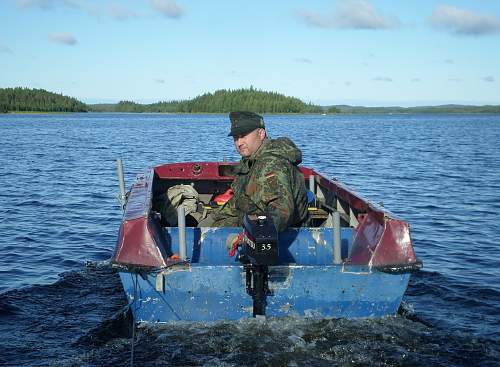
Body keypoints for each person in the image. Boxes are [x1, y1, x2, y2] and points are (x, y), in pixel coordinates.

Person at [211, 111, 309, 232]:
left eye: (243, 136)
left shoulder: (271, 165)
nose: (239, 143)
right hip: (246, 217)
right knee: (205, 223)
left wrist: (255, 236)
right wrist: (216, 217)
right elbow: (242, 200)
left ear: (261, 134)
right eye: (236, 138)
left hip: (273, 233)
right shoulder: (251, 160)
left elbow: (282, 213)